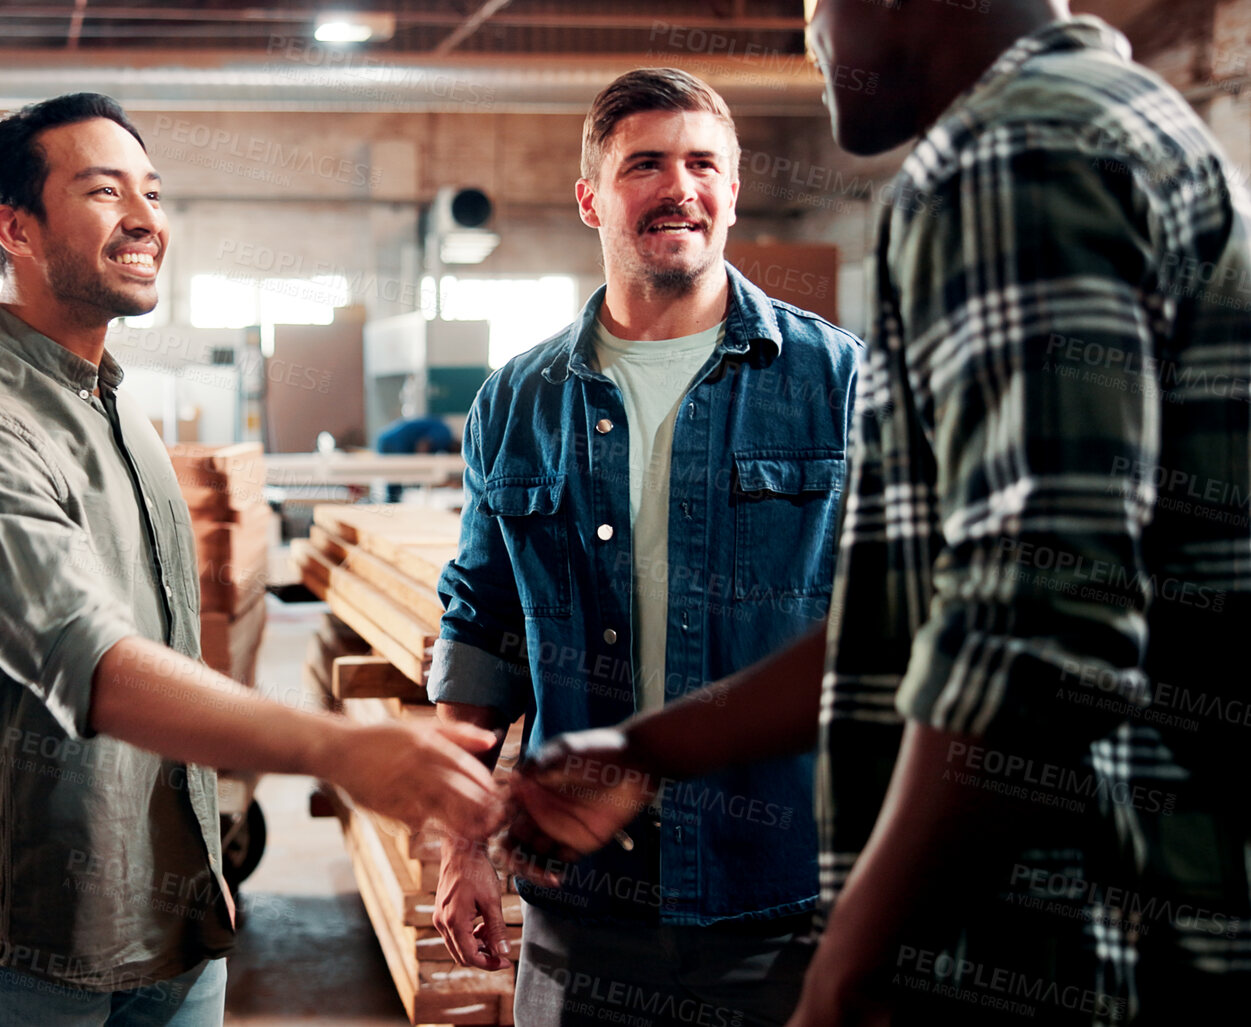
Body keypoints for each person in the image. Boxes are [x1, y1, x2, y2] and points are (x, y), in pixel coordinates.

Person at [499, 4, 1251, 1025]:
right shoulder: (1112, 122)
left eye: (815, 3)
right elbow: (918, 617)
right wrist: (650, 750)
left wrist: (853, 959)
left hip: (1071, 927)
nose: (812, 36)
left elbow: (1035, 617)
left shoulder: (1013, 153)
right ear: (593, 199)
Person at [0, 92, 503, 1027]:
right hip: (32, 941)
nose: (145, 220)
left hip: (173, 925)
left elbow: (172, 647)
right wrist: (336, 747)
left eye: (153, 192)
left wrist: (198, 858)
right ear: (13, 227)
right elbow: (93, 664)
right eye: (104, 192)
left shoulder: (116, 407)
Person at [428, 69, 861, 1026]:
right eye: (645, 165)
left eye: (704, 163)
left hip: (780, 900)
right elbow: (480, 621)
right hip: (580, 908)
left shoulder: (837, 385)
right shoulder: (518, 399)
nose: (680, 187)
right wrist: (462, 843)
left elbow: (892, 636)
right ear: (590, 197)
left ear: (734, 189)